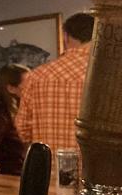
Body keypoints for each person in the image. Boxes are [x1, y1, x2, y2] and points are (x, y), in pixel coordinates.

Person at [16, 12, 94, 153]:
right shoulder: (107, 75)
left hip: (49, 168)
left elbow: (22, 130)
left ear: (65, 36)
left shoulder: (36, 77)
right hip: (97, 170)